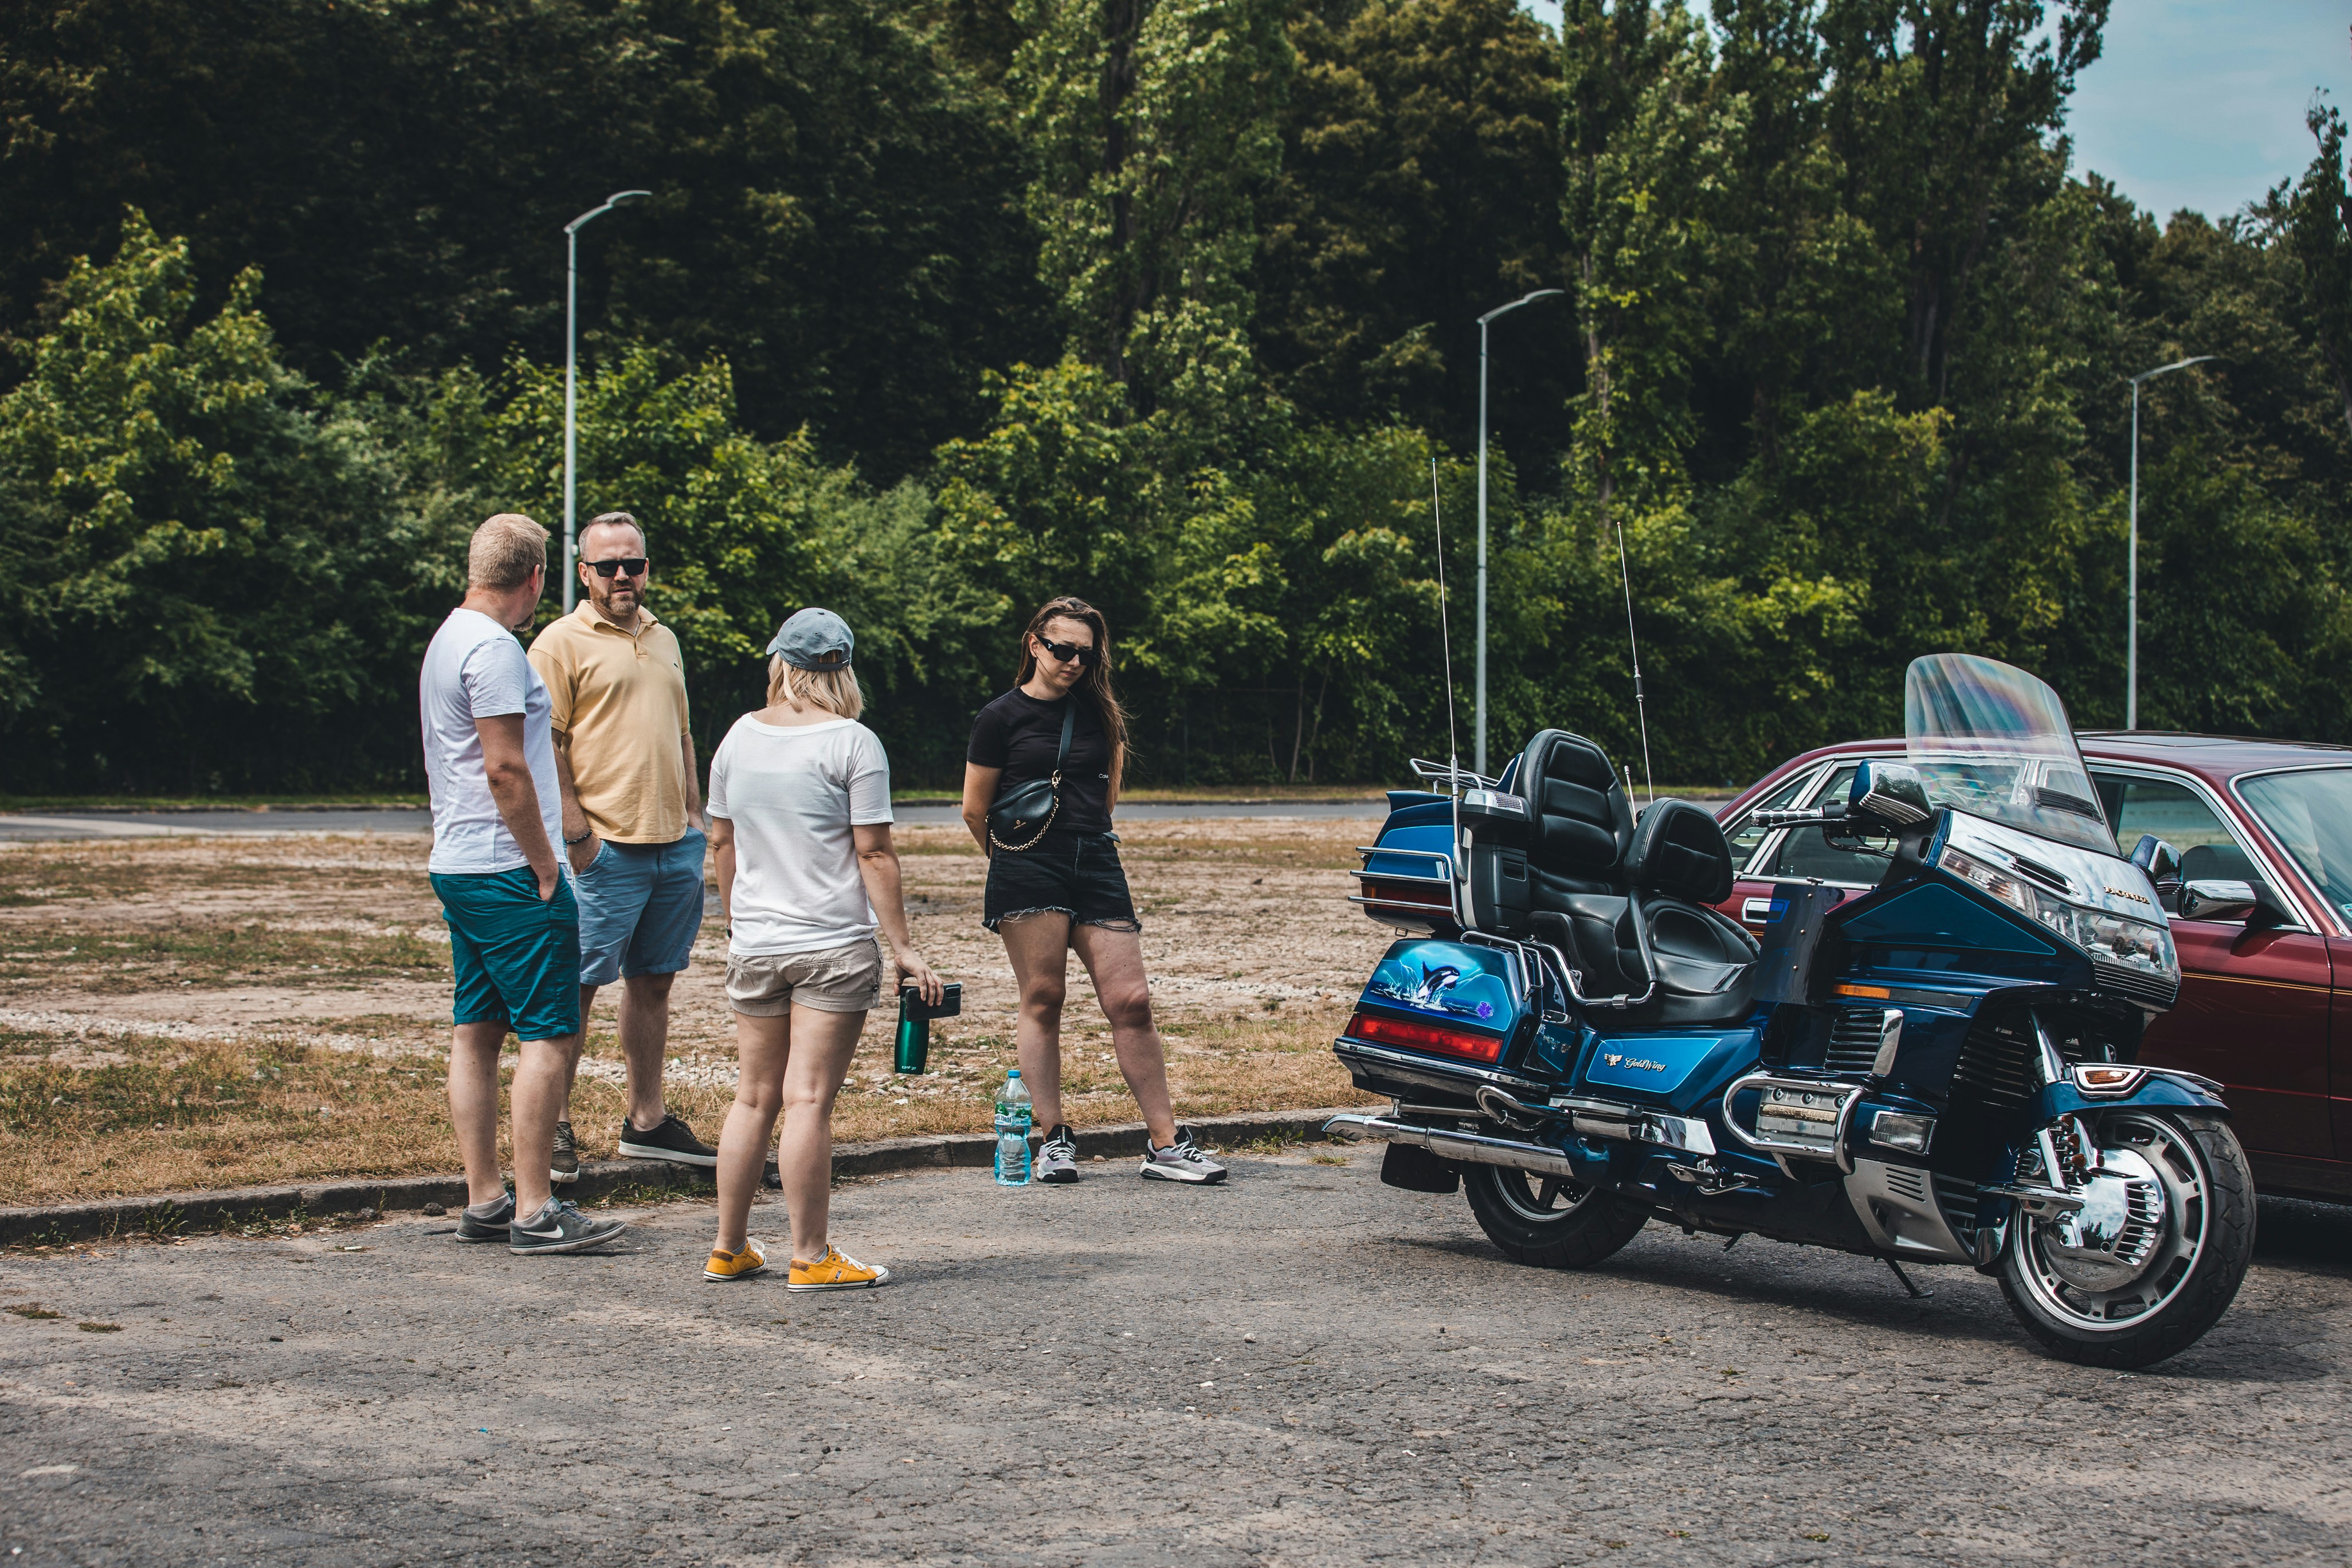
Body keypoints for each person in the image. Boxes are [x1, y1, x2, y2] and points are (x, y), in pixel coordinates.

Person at [701, 608, 944, 1287]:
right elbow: (874, 852)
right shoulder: (854, 742)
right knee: (807, 1100)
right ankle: (809, 1255)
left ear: (779, 663)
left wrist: (737, 918)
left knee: (754, 1097)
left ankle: (730, 1245)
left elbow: (722, 842)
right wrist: (904, 947)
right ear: (843, 669)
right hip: (832, 944)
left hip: (756, 944)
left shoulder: (736, 739)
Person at [960, 596, 1226, 1185]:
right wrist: (1012, 865)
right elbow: (975, 811)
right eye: (1062, 649)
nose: (1074, 662)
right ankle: (1053, 1139)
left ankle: (1164, 1144)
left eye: (1085, 653)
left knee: (1130, 1001)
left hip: (1096, 858)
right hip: (1029, 865)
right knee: (1045, 996)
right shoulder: (999, 717)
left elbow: (1108, 801)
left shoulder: (1100, 714)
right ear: (1034, 645)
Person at [418, 513, 628, 1255]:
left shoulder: (447, 639)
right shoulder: (498, 652)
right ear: (537, 577)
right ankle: (537, 1210)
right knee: (548, 1034)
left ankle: (485, 1199)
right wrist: (547, 866)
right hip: (510, 871)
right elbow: (506, 770)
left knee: (475, 1034)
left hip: (459, 863)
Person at [527, 511, 716, 1182]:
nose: (622, 577)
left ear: (646, 566)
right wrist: (578, 836)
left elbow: (686, 733)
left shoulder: (664, 637)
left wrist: (695, 818)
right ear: (584, 573)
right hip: (604, 851)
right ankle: (552, 1125)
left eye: (632, 563)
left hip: (673, 847)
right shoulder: (560, 642)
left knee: (653, 983)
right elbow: (542, 744)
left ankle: (646, 1121)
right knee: (574, 988)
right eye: (607, 566)